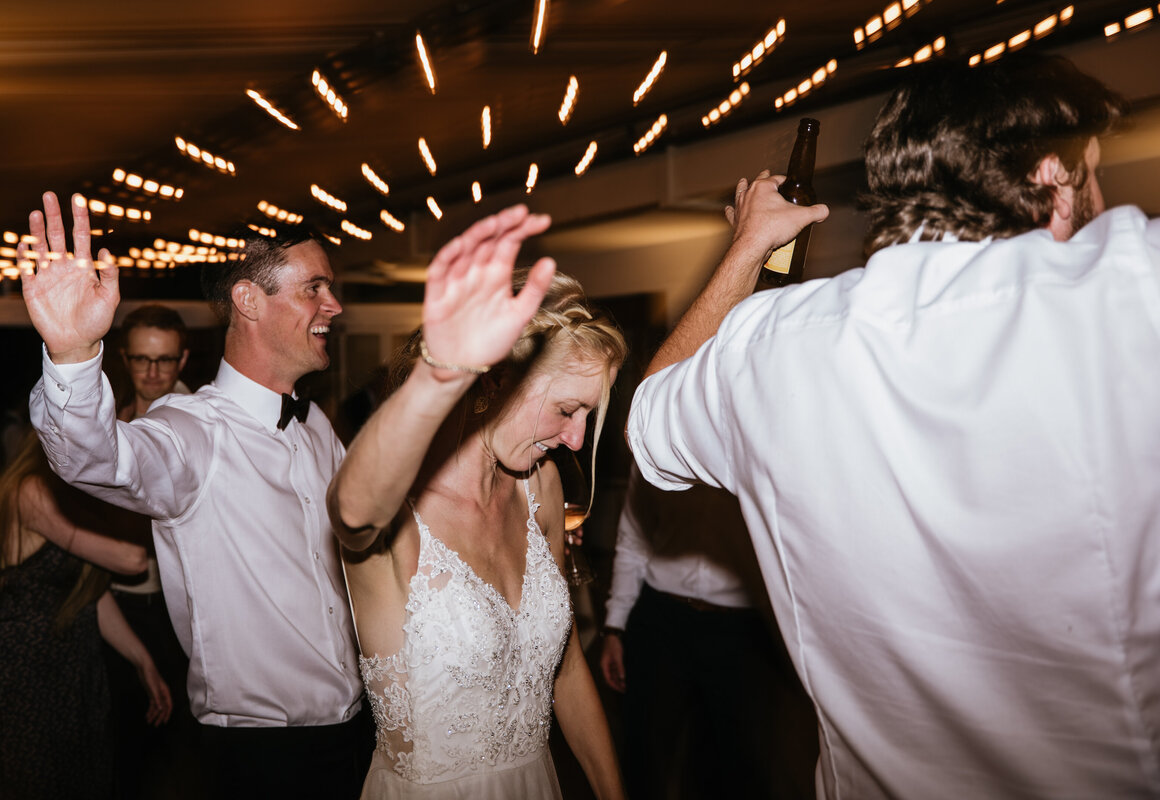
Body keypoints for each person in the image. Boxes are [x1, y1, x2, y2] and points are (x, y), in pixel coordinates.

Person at [626, 52, 1160, 798]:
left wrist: (747, 245)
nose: (1105, 200)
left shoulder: (778, 343)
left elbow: (650, 412)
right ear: (1053, 179)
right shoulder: (1129, 292)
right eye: (1092, 172)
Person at [20, 192, 371, 799]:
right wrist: (74, 354)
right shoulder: (190, 433)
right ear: (247, 299)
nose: (333, 306)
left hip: (359, 734)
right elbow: (96, 458)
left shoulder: (316, 427)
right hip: (262, 759)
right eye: (314, 287)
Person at [327, 205, 627, 799]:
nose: (576, 439)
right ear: (496, 380)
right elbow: (351, 512)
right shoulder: (399, 508)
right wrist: (439, 376)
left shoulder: (539, 487)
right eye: (568, 409)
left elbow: (563, 667)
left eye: (588, 416)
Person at [0, 432, 172, 800]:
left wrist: (143, 661)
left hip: (76, 680)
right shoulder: (29, 490)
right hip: (26, 683)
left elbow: (89, 598)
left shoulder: (77, 497)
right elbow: (132, 560)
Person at [600, 466, 817, 799]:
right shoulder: (657, 442)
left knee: (740, 766)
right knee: (643, 758)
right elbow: (633, 542)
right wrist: (615, 626)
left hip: (743, 630)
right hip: (661, 619)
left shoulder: (762, 450)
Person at [108, 302, 200, 799]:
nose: (152, 372)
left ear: (182, 360)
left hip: (175, 606)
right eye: (141, 359)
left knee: (178, 743)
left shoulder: (197, 422)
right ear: (125, 359)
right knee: (126, 743)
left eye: (164, 360)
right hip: (118, 599)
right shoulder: (117, 416)